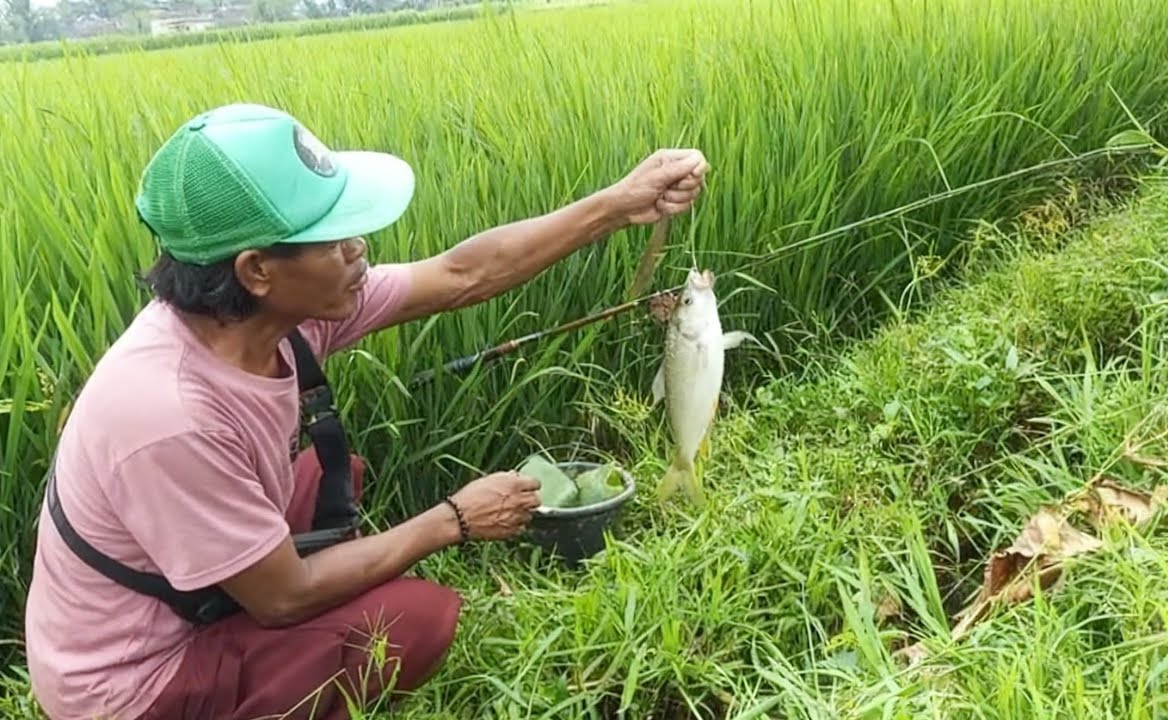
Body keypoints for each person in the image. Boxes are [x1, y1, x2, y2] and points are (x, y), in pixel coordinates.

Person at [23, 102, 709, 720]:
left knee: (331, 475)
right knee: (417, 621)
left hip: (177, 583)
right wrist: (455, 520)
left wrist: (620, 203)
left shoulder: (266, 316)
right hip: (129, 685)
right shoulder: (168, 414)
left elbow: (461, 275)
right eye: (335, 236)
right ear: (257, 270)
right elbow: (283, 598)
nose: (360, 250)